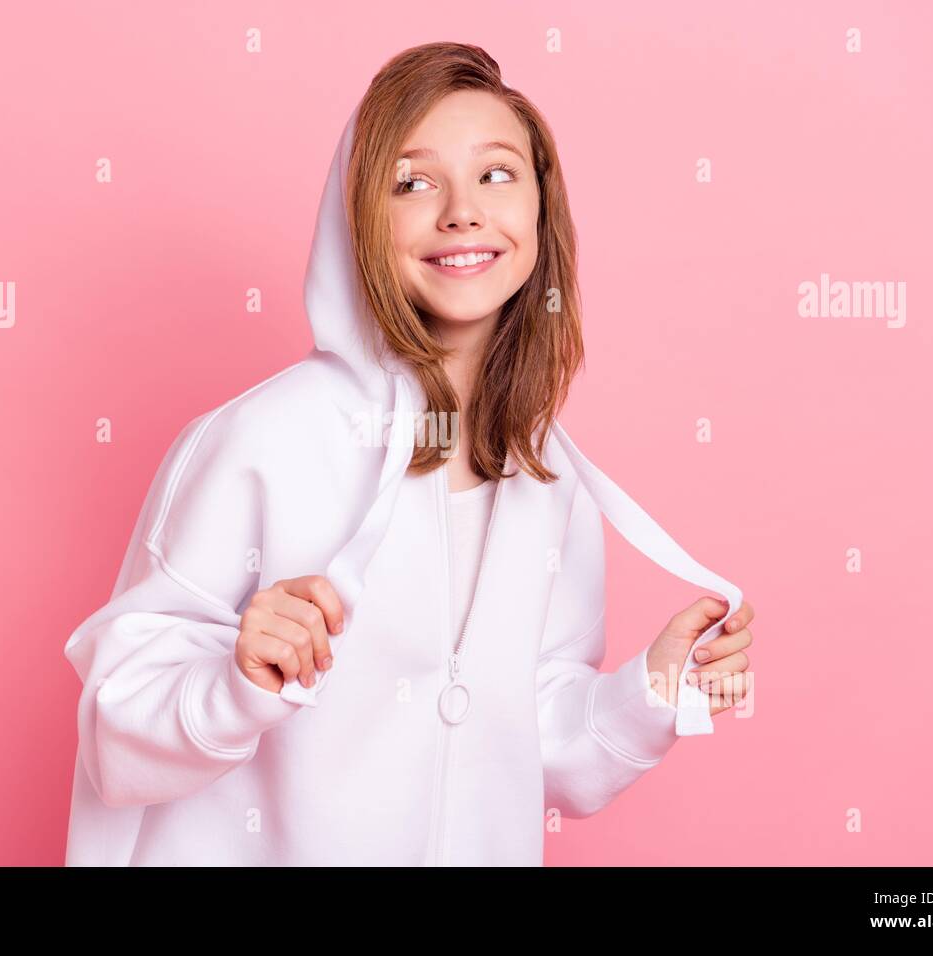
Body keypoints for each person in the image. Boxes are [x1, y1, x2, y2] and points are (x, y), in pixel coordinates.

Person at [63, 41, 754, 866]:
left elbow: (532, 734)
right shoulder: (261, 442)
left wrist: (654, 689)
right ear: (360, 217)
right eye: (413, 182)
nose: (462, 211)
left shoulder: (546, 471)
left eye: (497, 174)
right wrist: (234, 682)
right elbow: (116, 727)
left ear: (540, 209)